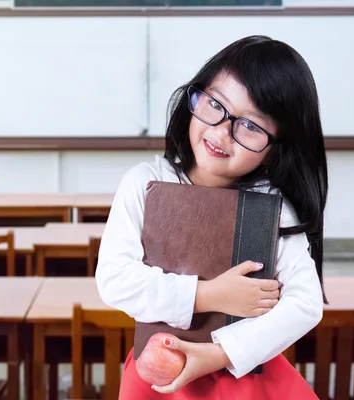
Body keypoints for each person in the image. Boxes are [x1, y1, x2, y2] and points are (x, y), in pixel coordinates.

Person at [95, 35, 327, 399]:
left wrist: (219, 354)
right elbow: (114, 279)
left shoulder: (271, 206)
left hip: (245, 376)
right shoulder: (146, 183)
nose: (222, 132)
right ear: (196, 96)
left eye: (251, 125)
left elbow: (306, 304)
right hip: (158, 371)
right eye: (215, 104)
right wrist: (208, 295)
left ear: (278, 147)